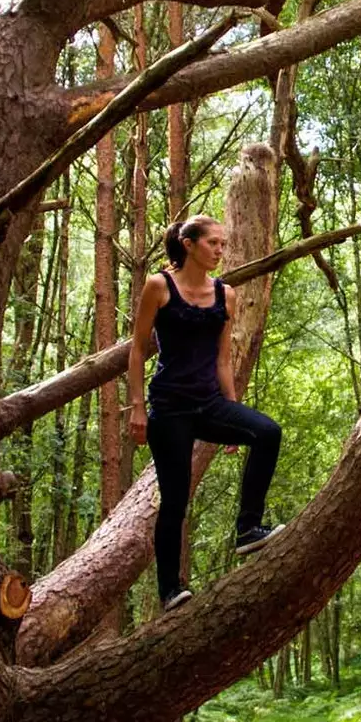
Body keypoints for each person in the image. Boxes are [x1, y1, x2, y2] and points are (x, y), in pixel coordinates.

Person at [129, 214, 282, 611]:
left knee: (266, 433)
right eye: (213, 243)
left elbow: (223, 359)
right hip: (169, 409)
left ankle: (248, 528)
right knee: (175, 500)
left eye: (222, 244)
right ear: (188, 244)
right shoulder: (159, 287)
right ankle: (169, 591)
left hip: (209, 403)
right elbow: (137, 349)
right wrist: (137, 410)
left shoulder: (225, 294)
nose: (220, 250)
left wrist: (232, 414)